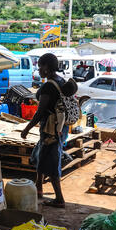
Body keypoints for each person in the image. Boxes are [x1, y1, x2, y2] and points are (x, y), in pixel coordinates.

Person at [21, 53, 76, 208]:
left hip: (51, 129)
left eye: (40, 66)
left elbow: (39, 112)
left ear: (47, 67)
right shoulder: (60, 80)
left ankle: (59, 199)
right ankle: (38, 187)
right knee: (41, 154)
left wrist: (26, 129)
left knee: (51, 161)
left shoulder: (49, 86)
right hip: (59, 127)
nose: (38, 69)